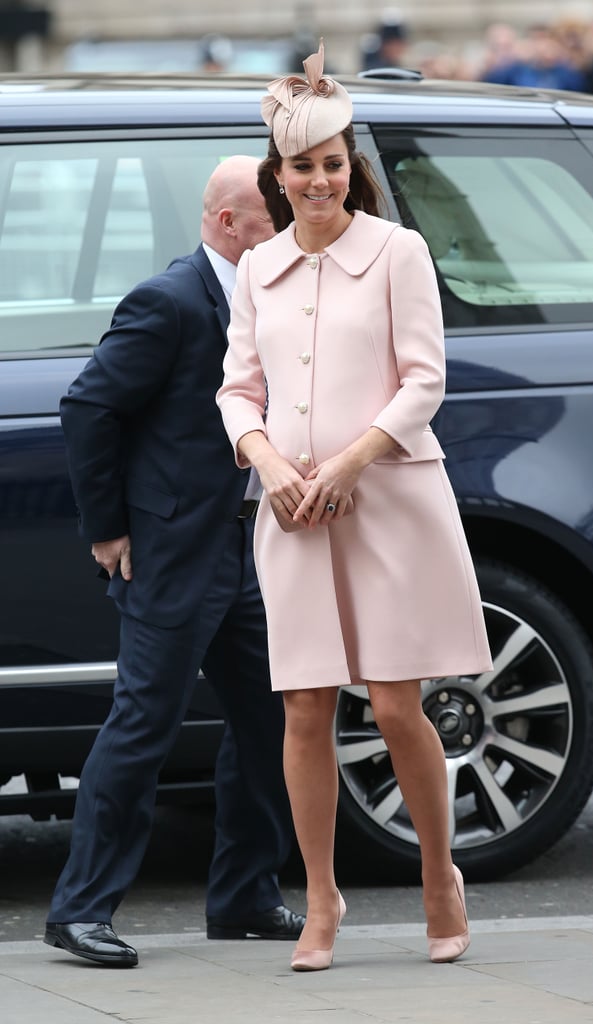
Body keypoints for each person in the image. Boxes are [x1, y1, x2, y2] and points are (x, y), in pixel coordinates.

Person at [216, 42, 493, 972]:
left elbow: (424, 381)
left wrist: (349, 462)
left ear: (350, 169)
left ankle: (437, 875)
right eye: (305, 166)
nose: (322, 179)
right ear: (279, 176)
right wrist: (267, 460)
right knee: (302, 707)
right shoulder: (257, 270)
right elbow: (235, 390)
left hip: (385, 499)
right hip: (292, 508)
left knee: (394, 704)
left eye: (335, 164)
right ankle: (322, 899)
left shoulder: (398, 250)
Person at [43, 155, 304, 968]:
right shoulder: (168, 300)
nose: (291, 225)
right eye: (276, 213)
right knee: (144, 724)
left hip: (254, 548)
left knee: (274, 719)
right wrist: (109, 528)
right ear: (231, 223)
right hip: (172, 552)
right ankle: (79, 911)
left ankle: (244, 897)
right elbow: (89, 406)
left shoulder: (276, 298)